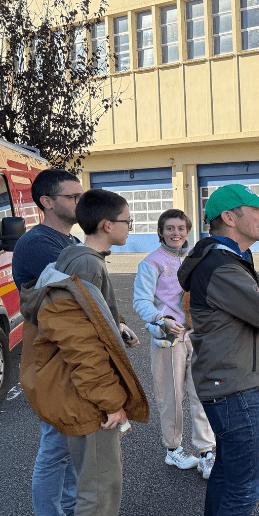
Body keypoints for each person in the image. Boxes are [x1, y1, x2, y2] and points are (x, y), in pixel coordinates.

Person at [20, 188, 149, 516]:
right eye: (128, 222)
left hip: (72, 386)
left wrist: (115, 326)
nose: (129, 228)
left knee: (79, 473)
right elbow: (82, 346)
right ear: (107, 225)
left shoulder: (77, 256)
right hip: (82, 391)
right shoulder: (87, 265)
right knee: (98, 486)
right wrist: (110, 401)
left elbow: (87, 321)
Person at [178, 184, 259, 516]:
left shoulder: (229, 260)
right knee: (245, 487)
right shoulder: (222, 266)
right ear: (229, 217)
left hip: (230, 384)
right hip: (236, 389)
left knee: (227, 475)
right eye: (256, 209)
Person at [12, 169, 82, 516]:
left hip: (70, 355)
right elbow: (78, 295)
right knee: (56, 446)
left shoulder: (70, 241)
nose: (80, 202)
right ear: (47, 202)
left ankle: (69, 509)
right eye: (73, 197)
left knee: (71, 442)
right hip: (50, 359)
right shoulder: (38, 243)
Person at [133, 209, 215, 478]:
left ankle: (206, 452)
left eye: (181, 228)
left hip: (197, 336)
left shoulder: (197, 259)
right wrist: (161, 319)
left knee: (202, 394)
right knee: (171, 397)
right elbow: (141, 301)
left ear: (188, 231)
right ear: (160, 231)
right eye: (170, 228)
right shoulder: (151, 263)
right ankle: (173, 450)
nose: (176, 233)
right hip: (168, 338)